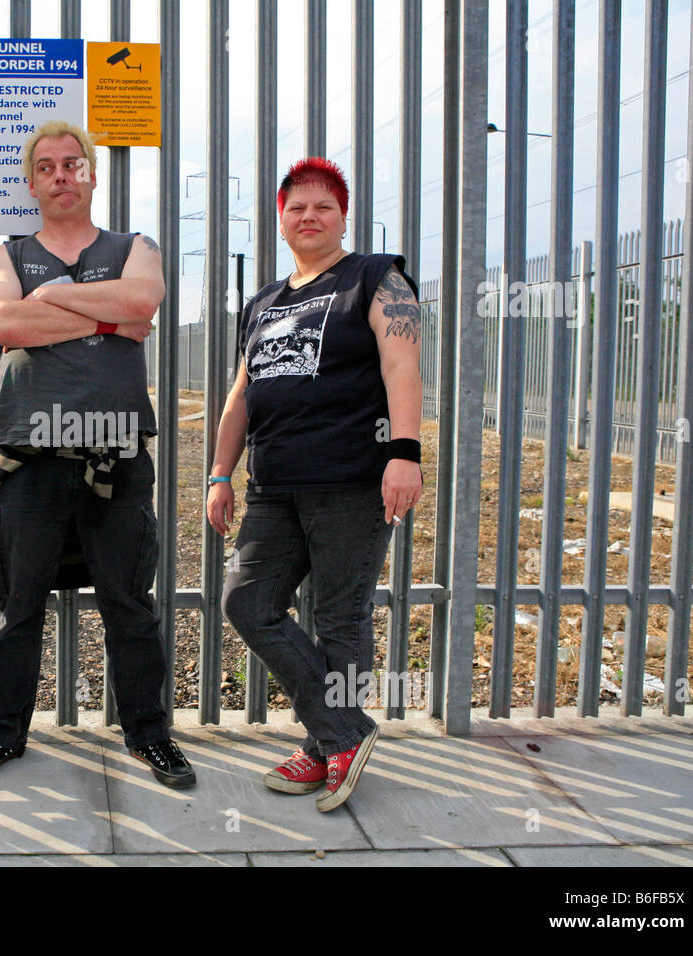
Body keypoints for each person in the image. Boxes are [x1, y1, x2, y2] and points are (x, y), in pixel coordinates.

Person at [0, 120, 195, 789]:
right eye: (48, 167)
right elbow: (6, 323)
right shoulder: (4, 255)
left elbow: (144, 297)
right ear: (31, 183)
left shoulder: (133, 246)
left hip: (117, 455)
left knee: (128, 602)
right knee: (16, 601)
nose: (62, 175)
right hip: (31, 455)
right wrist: (109, 319)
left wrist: (53, 302)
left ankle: (149, 732)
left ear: (91, 175)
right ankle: (3, 732)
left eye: (73, 164)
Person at [207, 157, 422, 812]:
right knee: (248, 603)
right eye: (296, 207)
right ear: (281, 217)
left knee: (338, 617)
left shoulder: (376, 278)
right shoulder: (264, 302)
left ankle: (327, 741)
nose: (309, 216)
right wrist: (220, 472)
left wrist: (405, 452)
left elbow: (402, 362)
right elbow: (242, 393)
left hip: (352, 478)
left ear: (342, 215)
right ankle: (342, 733)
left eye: (322, 206)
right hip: (274, 485)